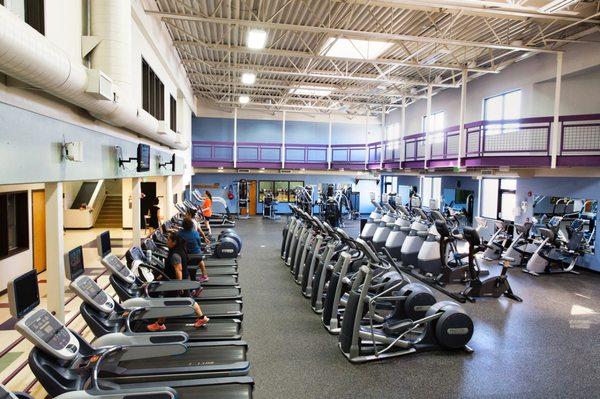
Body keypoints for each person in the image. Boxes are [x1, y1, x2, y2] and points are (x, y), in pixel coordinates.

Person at [147, 231, 209, 331]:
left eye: (168, 240)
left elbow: (178, 269)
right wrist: (162, 275)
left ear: (174, 242)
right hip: (182, 281)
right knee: (188, 300)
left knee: (166, 302)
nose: (167, 241)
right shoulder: (180, 249)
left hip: (175, 283)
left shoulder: (175, 254)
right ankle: (202, 318)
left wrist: (178, 285)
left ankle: (159, 324)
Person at [179, 215, 211, 283]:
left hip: (189, 257)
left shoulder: (179, 234)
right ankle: (204, 276)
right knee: (198, 261)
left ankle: (192, 283)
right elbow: (199, 244)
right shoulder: (195, 233)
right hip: (198, 256)